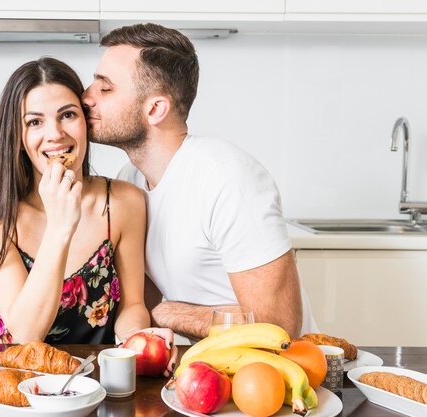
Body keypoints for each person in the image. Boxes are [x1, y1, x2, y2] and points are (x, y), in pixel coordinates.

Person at [82, 23, 317, 340]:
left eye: (105, 89)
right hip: (204, 370)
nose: (86, 98)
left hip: (275, 376)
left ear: (155, 109)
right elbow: (138, 302)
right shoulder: (131, 180)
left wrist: (166, 313)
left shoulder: (228, 178)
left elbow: (278, 325)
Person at [0, 57, 176, 369]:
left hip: (90, 386)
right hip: (11, 389)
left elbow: (133, 305)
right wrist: (61, 226)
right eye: (35, 122)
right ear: (17, 138)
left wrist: (137, 342)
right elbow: (27, 333)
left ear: (86, 122)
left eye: (68, 115)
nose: (55, 134)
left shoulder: (124, 202)